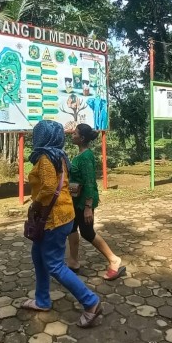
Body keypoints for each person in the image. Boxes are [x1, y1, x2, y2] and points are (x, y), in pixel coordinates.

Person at [23, 120, 102, 328]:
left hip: (53, 219)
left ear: (43, 137)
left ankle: (91, 302)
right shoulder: (59, 155)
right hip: (62, 215)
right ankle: (42, 300)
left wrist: (35, 204)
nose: (34, 138)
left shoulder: (46, 158)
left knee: (55, 265)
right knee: (38, 257)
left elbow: (49, 187)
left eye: (36, 134)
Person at [66, 124, 126, 280]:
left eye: (75, 133)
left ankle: (114, 260)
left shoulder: (86, 157)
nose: (73, 135)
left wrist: (88, 207)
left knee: (87, 232)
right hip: (74, 200)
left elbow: (90, 182)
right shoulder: (79, 155)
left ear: (82, 138)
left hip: (83, 202)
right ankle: (73, 261)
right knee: (71, 228)